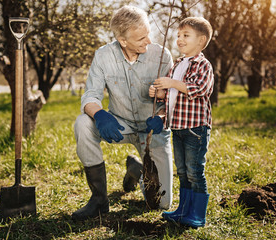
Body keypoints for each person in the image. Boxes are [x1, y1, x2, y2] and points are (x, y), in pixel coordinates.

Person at [73, 5, 174, 221]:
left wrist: (163, 117)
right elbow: (90, 95)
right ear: (123, 40)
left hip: (152, 130)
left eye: (148, 34)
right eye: (141, 39)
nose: (148, 41)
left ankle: (136, 170)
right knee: (83, 122)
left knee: (160, 203)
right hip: (120, 125)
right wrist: (100, 115)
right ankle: (99, 200)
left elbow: (174, 98)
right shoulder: (103, 56)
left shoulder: (162, 55)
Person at [149, 17, 214, 228]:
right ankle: (183, 210)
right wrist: (157, 91)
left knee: (195, 171)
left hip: (195, 128)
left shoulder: (203, 65)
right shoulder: (178, 64)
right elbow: (168, 95)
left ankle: (197, 214)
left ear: (201, 40)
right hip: (177, 127)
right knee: (183, 171)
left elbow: (199, 89)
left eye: (186, 35)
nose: (180, 39)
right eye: (178, 35)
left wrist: (172, 83)